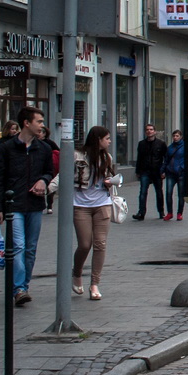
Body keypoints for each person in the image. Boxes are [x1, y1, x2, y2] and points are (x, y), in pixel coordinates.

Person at [0, 107, 54, 306]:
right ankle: (19, 288)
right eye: (39, 121)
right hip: (14, 205)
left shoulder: (43, 148)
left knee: (31, 248)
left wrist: (44, 180)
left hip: (35, 204)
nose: (42, 125)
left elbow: (49, 171)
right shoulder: (6, 148)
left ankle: (23, 286)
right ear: (27, 123)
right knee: (18, 245)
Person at [71, 126, 116, 301]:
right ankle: (76, 273)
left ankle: (95, 283)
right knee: (84, 244)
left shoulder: (107, 157)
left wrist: (110, 182)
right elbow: (64, 175)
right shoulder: (77, 156)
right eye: (107, 138)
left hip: (102, 204)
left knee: (100, 244)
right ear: (98, 139)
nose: (109, 141)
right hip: (81, 205)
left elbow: (107, 178)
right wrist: (47, 188)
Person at [133, 123, 167, 220]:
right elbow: (139, 158)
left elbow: (166, 158)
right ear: (145, 132)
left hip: (157, 171)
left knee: (159, 192)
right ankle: (141, 213)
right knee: (143, 192)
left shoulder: (161, 144)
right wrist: (137, 171)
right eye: (147, 129)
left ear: (155, 131)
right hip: (145, 171)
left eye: (151, 129)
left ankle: (161, 212)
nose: (149, 131)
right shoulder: (141, 144)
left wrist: (163, 171)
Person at [162, 129, 188, 221]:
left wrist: (182, 167)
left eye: (177, 136)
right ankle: (169, 213)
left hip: (181, 173)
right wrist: (163, 170)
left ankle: (179, 213)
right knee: (169, 193)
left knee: (181, 194)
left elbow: (187, 159)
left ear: (181, 137)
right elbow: (166, 160)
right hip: (170, 173)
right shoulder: (170, 147)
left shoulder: (185, 147)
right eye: (174, 136)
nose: (175, 138)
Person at [40, 125, 60, 214]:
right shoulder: (33, 142)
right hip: (39, 167)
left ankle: (49, 205)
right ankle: (40, 204)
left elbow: (58, 152)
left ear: (44, 134)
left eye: (41, 132)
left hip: (50, 167)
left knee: (50, 185)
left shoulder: (49, 143)